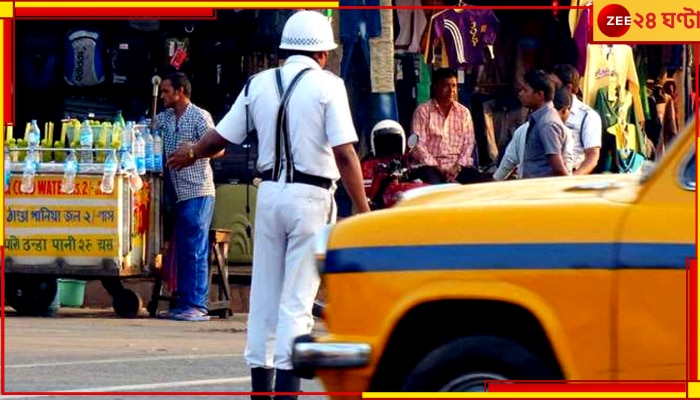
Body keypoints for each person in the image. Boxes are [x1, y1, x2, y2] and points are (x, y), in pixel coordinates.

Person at [165, 10, 370, 399]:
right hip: (311, 197)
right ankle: (288, 393)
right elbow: (345, 154)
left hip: (270, 195)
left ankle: (261, 390)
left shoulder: (258, 83)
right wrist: (362, 209)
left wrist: (190, 153)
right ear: (322, 53)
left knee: (263, 296)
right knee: (297, 299)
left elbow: (219, 137)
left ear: (285, 49)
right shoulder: (329, 86)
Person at [156, 71, 222, 322]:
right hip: (177, 192)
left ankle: (197, 304)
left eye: (166, 91)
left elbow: (220, 147)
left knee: (194, 247)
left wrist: (194, 151)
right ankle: (184, 302)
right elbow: (147, 133)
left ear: (180, 91)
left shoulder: (199, 116)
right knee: (183, 248)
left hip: (198, 190)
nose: (163, 96)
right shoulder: (164, 119)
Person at [409, 68, 479, 184]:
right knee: (436, 187)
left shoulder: (464, 112)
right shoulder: (422, 111)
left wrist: (457, 167)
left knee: (478, 182)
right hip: (430, 167)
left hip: (457, 167)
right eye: (446, 86)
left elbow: (469, 143)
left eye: (454, 86)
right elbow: (418, 146)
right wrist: (439, 168)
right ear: (435, 88)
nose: (451, 90)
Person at [493, 87, 574, 180]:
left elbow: (508, 160)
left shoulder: (522, 129)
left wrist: (496, 180)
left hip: (527, 184)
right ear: (564, 110)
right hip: (548, 187)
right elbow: (565, 165)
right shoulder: (562, 130)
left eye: (525, 90)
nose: (521, 93)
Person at [550, 64, 603, 175]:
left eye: (555, 85)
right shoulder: (545, 109)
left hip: (570, 174)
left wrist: (572, 179)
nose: (550, 88)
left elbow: (592, 156)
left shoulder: (587, 116)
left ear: (569, 87)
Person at [518, 69, 571, 178]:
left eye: (525, 90)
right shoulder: (542, 119)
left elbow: (558, 169)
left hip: (542, 190)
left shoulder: (547, 123)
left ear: (539, 95)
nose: (520, 93)